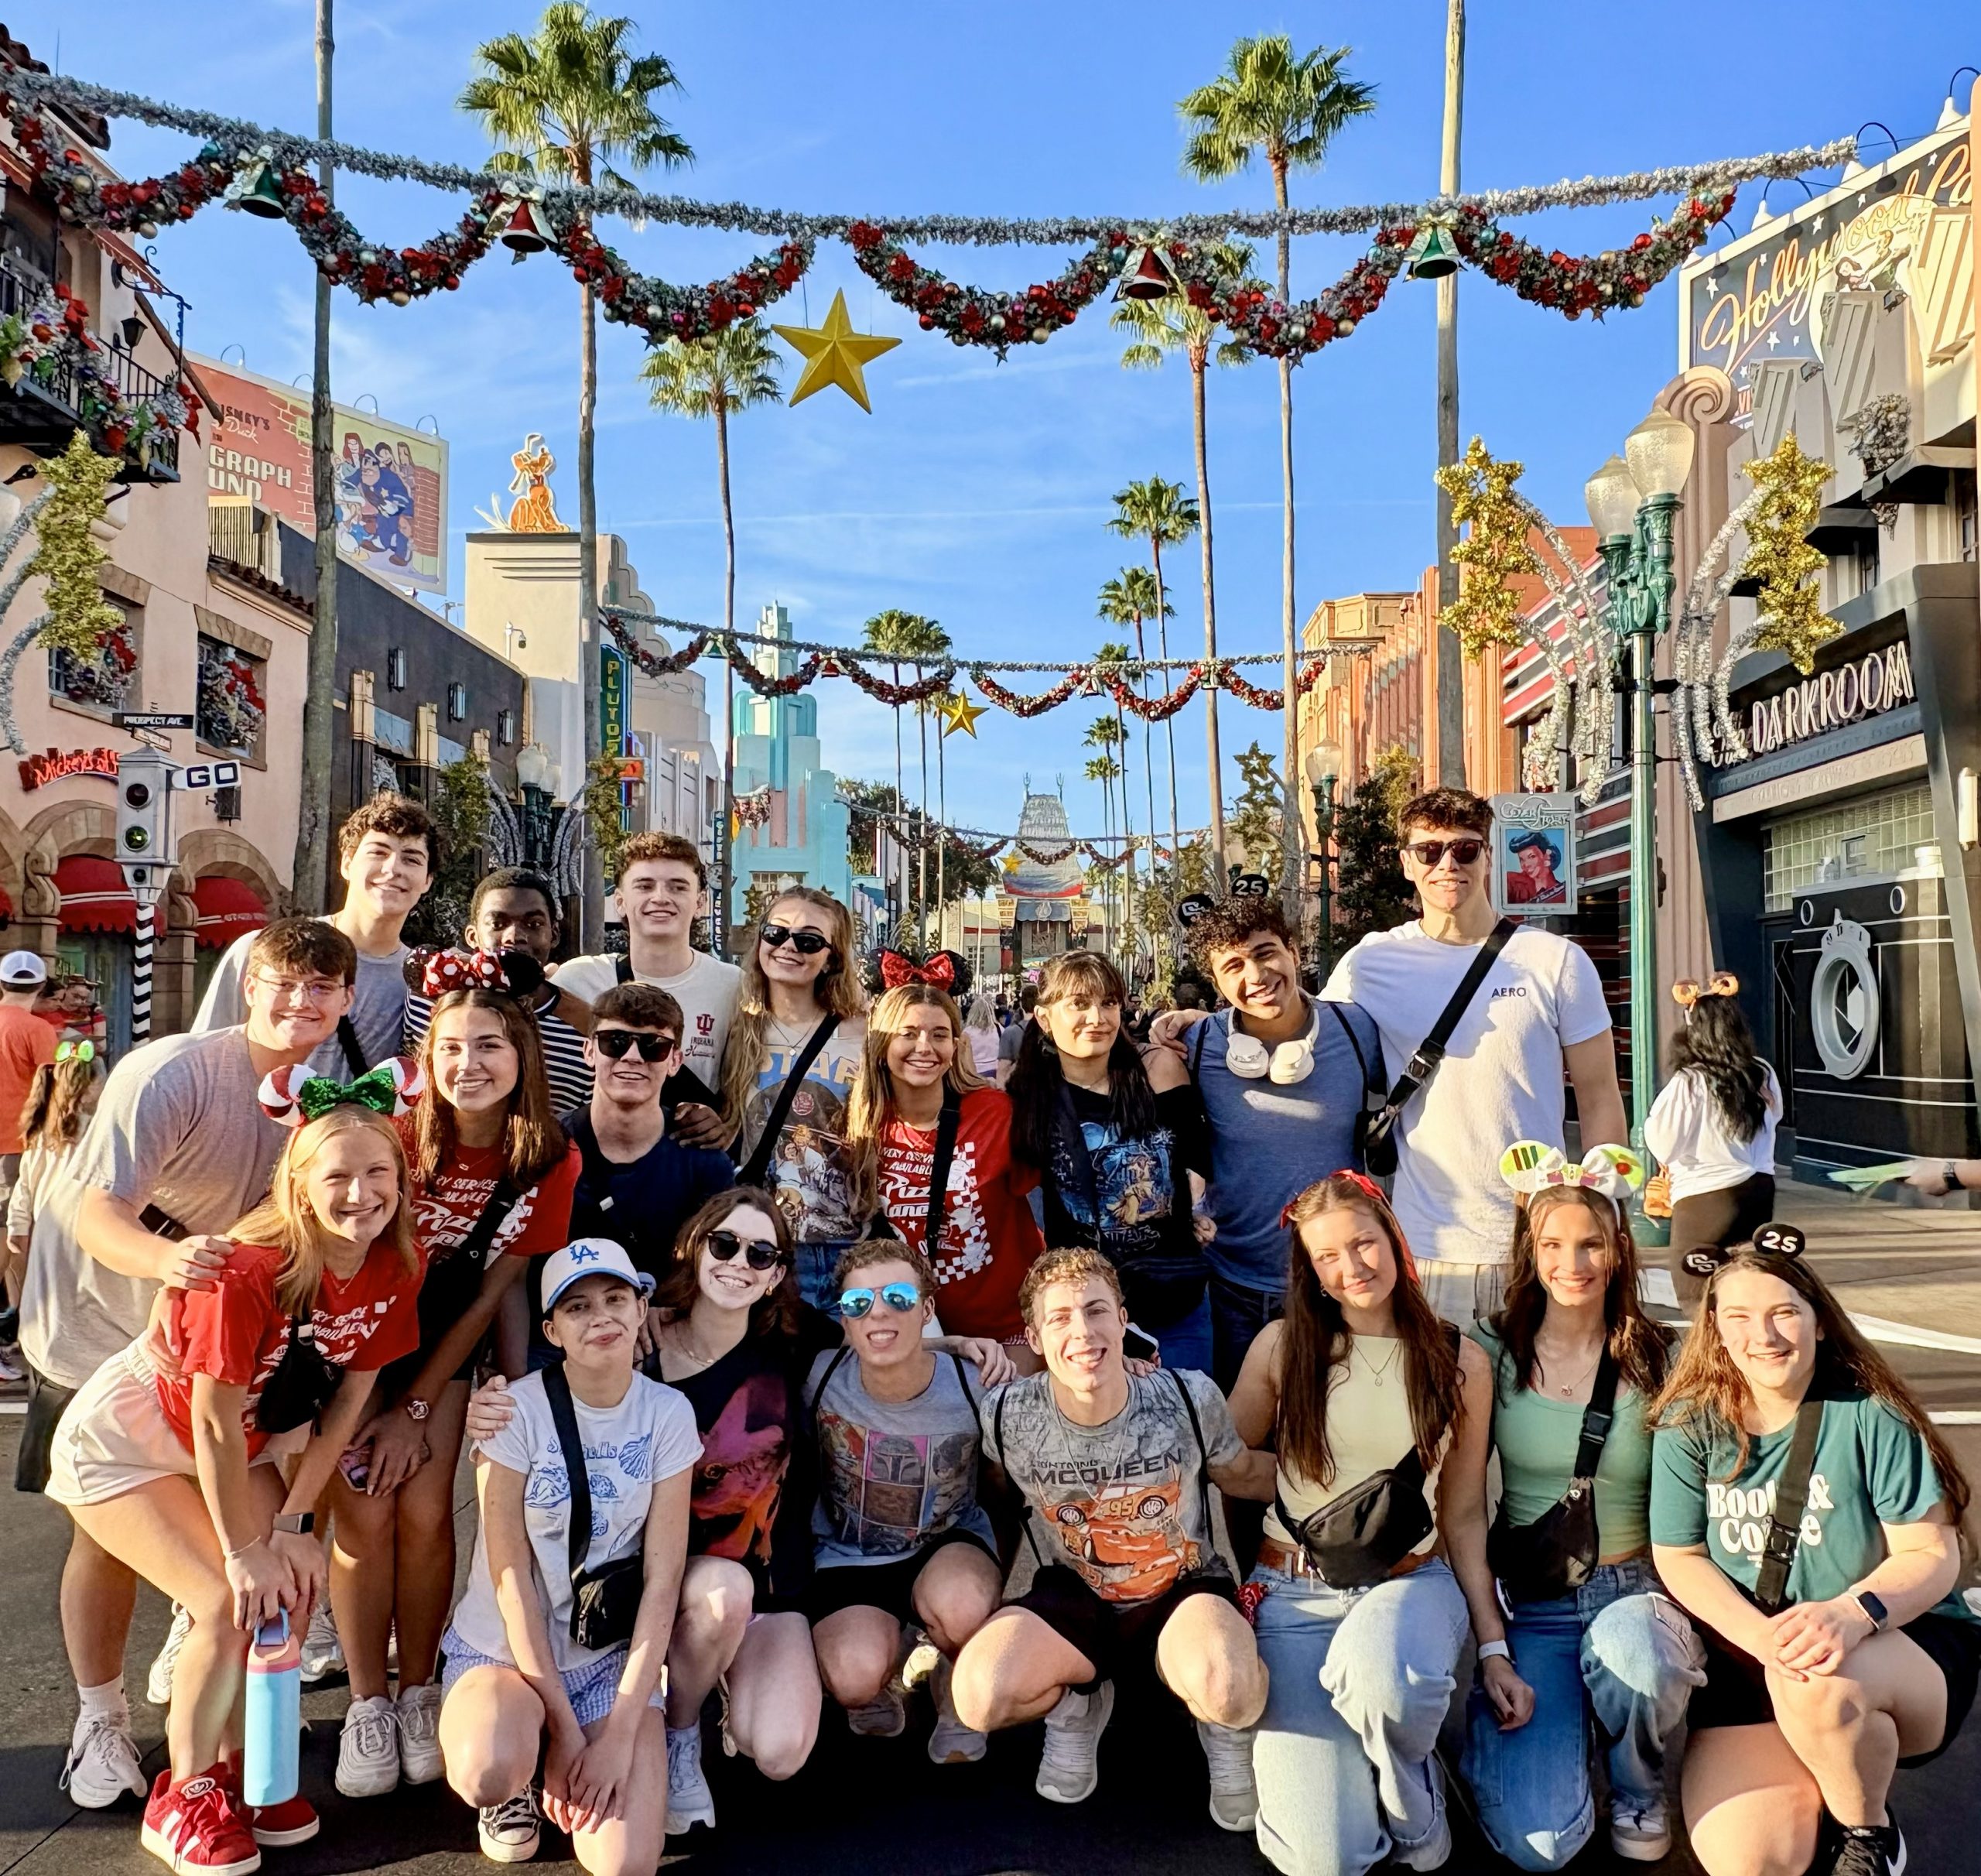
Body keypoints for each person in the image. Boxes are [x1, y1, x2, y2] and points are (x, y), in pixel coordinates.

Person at [18, 918, 359, 1808]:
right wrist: (168, 1261)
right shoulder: (173, 1072)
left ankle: (207, 1660)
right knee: (102, 1528)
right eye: (284, 982)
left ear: (345, 1001)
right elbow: (96, 1213)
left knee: (224, 1528)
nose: (301, 1001)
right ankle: (98, 1718)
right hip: (102, 1316)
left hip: (216, 1338)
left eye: (321, 987)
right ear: (249, 986)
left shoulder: (322, 1095)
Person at [45, 1085, 426, 1870]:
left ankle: (246, 1772)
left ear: (400, 1179)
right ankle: (183, 1796)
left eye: (378, 1173)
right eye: (337, 1176)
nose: (361, 1194)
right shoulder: (247, 1269)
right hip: (132, 1439)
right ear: (299, 1185)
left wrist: (292, 1527)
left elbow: (346, 1403)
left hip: (242, 1444)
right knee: (225, 1597)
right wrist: (244, 1549)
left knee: (283, 1589)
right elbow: (213, 1421)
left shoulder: (394, 1267)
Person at [1650, 1227, 1979, 1876]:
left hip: (1889, 1646)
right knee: (1752, 1862)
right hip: (1762, 1658)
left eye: (1784, 1313)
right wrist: (1760, 1637)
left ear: (1820, 1322)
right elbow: (1679, 1556)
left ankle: (1868, 1830)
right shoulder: (1691, 1422)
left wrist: (1853, 1614)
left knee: (1822, 1683)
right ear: (1714, 1329)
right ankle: (1833, 1772)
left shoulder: (1870, 1414)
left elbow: (1931, 1553)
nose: (1764, 1335)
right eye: (1739, 1317)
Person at [325, 982, 579, 1800]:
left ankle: (419, 1687)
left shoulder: (547, 1158)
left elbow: (490, 1293)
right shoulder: (395, 1136)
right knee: (365, 1515)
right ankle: (367, 1699)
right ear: (426, 1059)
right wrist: (379, 1406)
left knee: (428, 1512)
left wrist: (421, 1408)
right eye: (451, 1048)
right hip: (352, 1338)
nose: (469, 1064)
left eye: (489, 1045)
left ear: (522, 1056)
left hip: (438, 1345)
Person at [952, 1248, 1274, 1823]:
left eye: (1096, 1310)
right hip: (1076, 1594)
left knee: (1228, 1688)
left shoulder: (1186, 1397)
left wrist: (1339, 1481)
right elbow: (999, 1498)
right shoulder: (1007, 1416)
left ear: (1124, 1321)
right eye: (1060, 1318)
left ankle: (1223, 1727)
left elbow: (1242, 1474)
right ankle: (1078, 1703)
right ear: (1034, 1337)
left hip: (1182, 1589)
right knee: (980, 1696)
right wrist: (996, 1597)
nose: (1082, 1331)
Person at [1452, 1146, 1706, 1869]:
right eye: (1553, 1245)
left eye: (1591, 1243)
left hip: (1638, 1594)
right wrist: (1491, 1646)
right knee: (1541, 1847)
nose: (1574, 1263)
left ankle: (1637, 1783)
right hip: (1535, 1601)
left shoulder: (1662, 1355)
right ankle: (1544, 1737)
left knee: (1638, 1660)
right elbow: (1463, 1513)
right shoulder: (1490, 1351)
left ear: (1618, 1249)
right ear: (1529, 1253)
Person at [1226, 1172, 1479, 1874]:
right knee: (1326, 1859)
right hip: (1294, 1593)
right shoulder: (1282, 1347)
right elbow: (1229, 1461)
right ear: (1310, 1271)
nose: (1353, 1267)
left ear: (1393, 1239)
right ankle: (1363, 1760)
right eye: (1328, 1256)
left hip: (1409, 1583)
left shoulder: (1459, 1359)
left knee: (1381, 1680)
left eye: (1364, 1243)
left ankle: (1410, 1795)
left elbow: (1463, 1514)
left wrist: (1491, 1644)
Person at [438, 1238, 697, 1871]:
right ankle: (521, 1771)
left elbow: (663, 1580)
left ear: (641, 1310)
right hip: (507, 1653)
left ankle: (604, 1746)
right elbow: (511, 1582)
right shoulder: (513, 1413)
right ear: (551, 1330)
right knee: (487, 1769)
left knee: (623, 1864)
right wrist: (564, 1732)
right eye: (577, 1308)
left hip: (605, 1657)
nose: (600, 1317)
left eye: (615, 1299)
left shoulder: (668, 1414)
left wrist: (619, 1732)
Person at [1323, 786, 1627, 1327]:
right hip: (1426, 1246)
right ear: (1407, 864)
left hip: (1540, 1244)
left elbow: (1600, 1094)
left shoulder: (1555, 960)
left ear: (1488, 856)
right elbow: (1304, 1035)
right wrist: (1196, 1024)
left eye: (1464, 849)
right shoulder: (1371, 962)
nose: (1448, 865)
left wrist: (1604, 1214)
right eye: (1429, 851)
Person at [1150, 895, 1381, 1388]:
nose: (1255, 975)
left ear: (1293, 952)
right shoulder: (1198, 1046)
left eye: (1265, 953)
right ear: (1216, 983)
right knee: (1240, 1429)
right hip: (1231, 1288)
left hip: (1338, 1284)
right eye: (1233, 966)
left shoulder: (1358, 1030)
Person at [806, 1238, 1007, 1765]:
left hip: (945, 1545)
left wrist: (1133, 1362)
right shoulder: (820, 1376)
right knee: (852, 1677)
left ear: (927, 1308)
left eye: (898, 1297)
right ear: (845, 1322)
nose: (878, 1313)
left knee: (961, 1608)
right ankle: (890, 1663)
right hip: (850, 1556)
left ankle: (954, 1673)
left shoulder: (974, 1385)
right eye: (859, 1303)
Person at [1005, 952, 1212, 1370]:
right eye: (1079, 1004)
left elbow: (1196, 1158)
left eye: (1109, 1003)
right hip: (1086, 1309)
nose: (1097, 1018)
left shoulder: (1157, 1068)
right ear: (1045, 1018)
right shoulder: (1029, 1097)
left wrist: (1195, 1209)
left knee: (1186, 1406)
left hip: (1175, 1294)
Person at [538, 983, 734, 1367]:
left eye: (653, 1047)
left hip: (669, 1339)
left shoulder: (704, 1160)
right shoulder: (547, 1150)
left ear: (675, 1061)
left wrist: (669, 1313)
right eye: (614, 1042)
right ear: (589, 1051)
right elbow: (518, 1271)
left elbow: (718, 1268)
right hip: (558, 1347)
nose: (631, 1057)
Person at [844, 981, 1045, 1351]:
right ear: (880, 1046)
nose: (924, 1047)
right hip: (918, 1333)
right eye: (908, 1034)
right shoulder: (862, 1127)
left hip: (1008, 1327)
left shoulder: (996, 1114)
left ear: (955, 1047)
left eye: (939, 1035)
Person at [197, 793, 435, 1076]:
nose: (393, 869)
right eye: (378, 853)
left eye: (411, 859)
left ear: (427, 881)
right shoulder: (265, 952)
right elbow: (203, 1059)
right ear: (347, 864)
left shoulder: (423, 984)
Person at [721, 888, 867, 1310]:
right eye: (776, 933)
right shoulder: (738, 1029)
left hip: (850, 1246)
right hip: (762, 1249)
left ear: (832, 958)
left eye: (808, 940)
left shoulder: (863, 1032)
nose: (788, 946)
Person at [553, 833, 741, 1106]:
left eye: (678, 887)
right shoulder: (575, 980)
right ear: (620, 902)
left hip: (688, 1134)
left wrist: (719, 1123)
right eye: (645, 886)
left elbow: (742, 1087)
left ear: (700, 903)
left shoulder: (732, 986)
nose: (660, 897)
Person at [405, 871, 594, 1114]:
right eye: (497, 924)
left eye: (534, 924)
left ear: (554, 935)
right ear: (472, 936)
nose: (514, 937)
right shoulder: (429, 1001)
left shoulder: (580, 1028)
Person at [1645, 979, 1781, 1304]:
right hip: (1759, 1191)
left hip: (1705, 1199)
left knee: (1696, 1296)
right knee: (1747, 1284)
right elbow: (1774, 1118)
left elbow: (1664, 1145)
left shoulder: (1690, 1080)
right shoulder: (1761, 1072)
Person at [2, 1042, 101, 1374]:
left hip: (44, 1229)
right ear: (90, 1088)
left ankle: (40, 1356)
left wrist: (17, 1226)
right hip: (79, 1231)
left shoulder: (41, 1131)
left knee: (46, 1300)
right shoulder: (94, 1132)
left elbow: (25, 1185)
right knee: (74, 1301)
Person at [1505, 831, 1567, 905]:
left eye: (1532, 857)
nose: (1526, 865)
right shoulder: (1513, 883)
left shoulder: (1563, 893)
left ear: (1547, 857)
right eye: (1522, 860)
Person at [995, 983, 1036, 1088]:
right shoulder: (1050, 1031)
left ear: (1021, 1005)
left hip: (1019, 1090)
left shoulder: (1010, 1033)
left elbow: (1003, 1070)